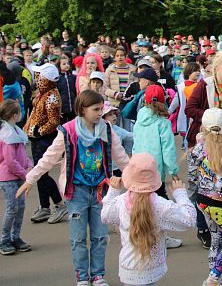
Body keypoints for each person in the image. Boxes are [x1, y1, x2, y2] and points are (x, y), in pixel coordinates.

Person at [18, 89, 129, 286]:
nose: (99, 112)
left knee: (100, 236)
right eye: (96, 109)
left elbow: (122, 158)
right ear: (82, 109)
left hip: (100, 193)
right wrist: (30, 179)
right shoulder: (68, 131)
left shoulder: (107, 130)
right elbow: (49, 157)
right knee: (78, 239)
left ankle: (98, 275)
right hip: (76, 192)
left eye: (101, 108)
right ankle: (82, 277)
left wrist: (136, 181)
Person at [101, 153, 195, 286]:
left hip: (129, 268)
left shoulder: (121, 202)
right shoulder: (160, 205)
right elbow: (189, 219)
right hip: (151, 268)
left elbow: (105, 216)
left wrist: (113, 190)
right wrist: (180, 193)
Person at [188, 108, 222, 285]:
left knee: (216, 239)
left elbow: (191, 175)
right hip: (219, 202)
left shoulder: (198, 148)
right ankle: (212, 278)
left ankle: (215, 279)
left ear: (203, 126)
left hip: (202, 201)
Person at [22, 63, 67, 224]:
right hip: (36, 139)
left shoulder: (51, 97)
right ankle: (44, 206)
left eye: (39, 76)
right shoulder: (43, 93)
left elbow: (54, 121)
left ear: (45, 79)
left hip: (43, 139)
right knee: (40, 173)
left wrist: (38, 131)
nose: (36, 78)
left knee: (42, 172)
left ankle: (59, 204)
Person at [186, 51, 222, 148]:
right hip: (206, 140)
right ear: (217, 67)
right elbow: (189, 109)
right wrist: (212, 118)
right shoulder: (205, 85)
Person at [133, 85, 179, 201]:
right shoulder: (163, 123)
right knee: (160, 201)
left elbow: (135, 143)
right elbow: (168, 149)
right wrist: (173, 171)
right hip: (156, 170)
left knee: (141, 199)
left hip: (138, 166)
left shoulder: (139, 120)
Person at [0, 99, 33, 255]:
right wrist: (26, 173)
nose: (21, 114)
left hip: (18, 176)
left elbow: (22, 156)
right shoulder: (7, 135)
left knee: (20, 208)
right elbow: (10, 161)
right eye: (19, 111)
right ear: (14, 115)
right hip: (8, 178)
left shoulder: (14, 132)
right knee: (12, 208)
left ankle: (15, 237)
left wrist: (29, 164)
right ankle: (4, 240)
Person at [57, 54, 77, 123]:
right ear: (59, 65)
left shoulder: (73, 77)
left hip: (73, 106)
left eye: (68, 63)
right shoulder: (57, 78)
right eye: (64, 64)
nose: (66, 65)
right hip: (62, 108)